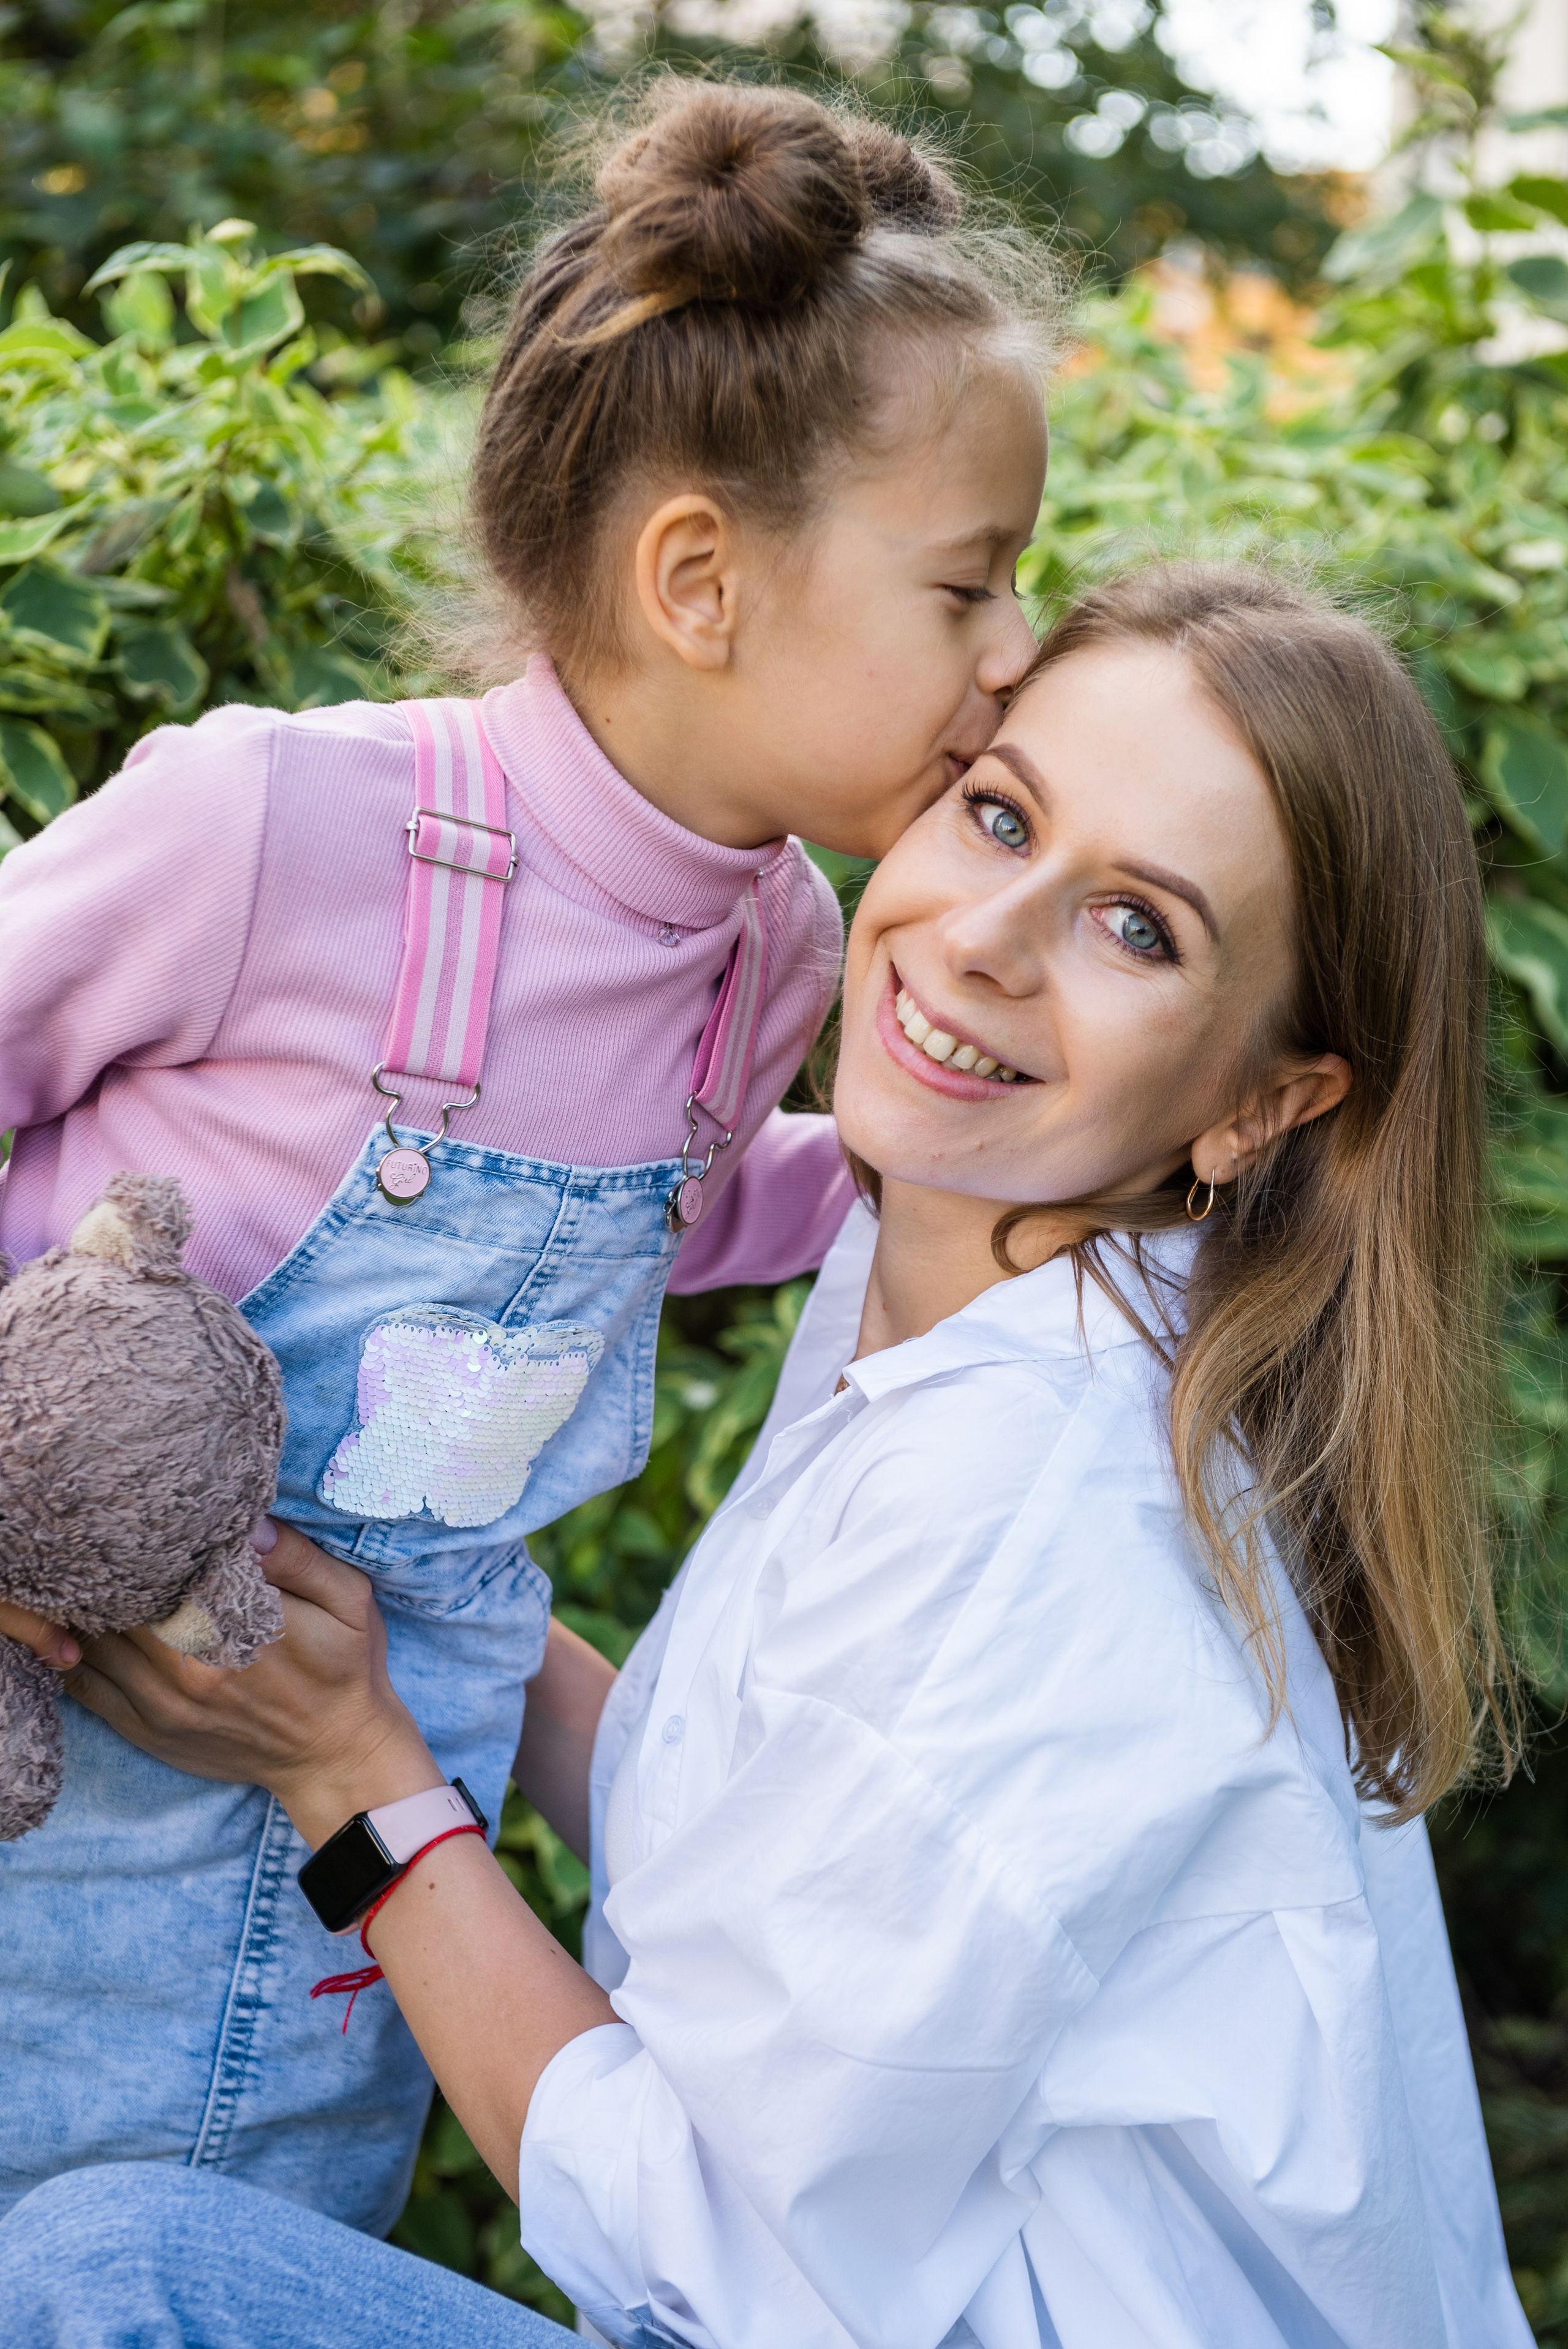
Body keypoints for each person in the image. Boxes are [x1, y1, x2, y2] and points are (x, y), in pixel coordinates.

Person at [0, 564, 1531, 2349]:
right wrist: (400, 1617)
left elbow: (703, 2237)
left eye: (1141, 929)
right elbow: (760, 1815)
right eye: (999, 813)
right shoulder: (980, 1271)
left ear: (1266, 1101)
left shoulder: (1042, 1516)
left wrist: (355, 1773)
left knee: (110, 2281)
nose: (982, 932)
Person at [0, 80, 1050, 2230]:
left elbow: (652, 1222)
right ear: (699, 579)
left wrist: (907, 1169)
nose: (1016, 658)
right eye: (971, 586)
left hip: (342, 1918)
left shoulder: (779, 951)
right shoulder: (276, 830)